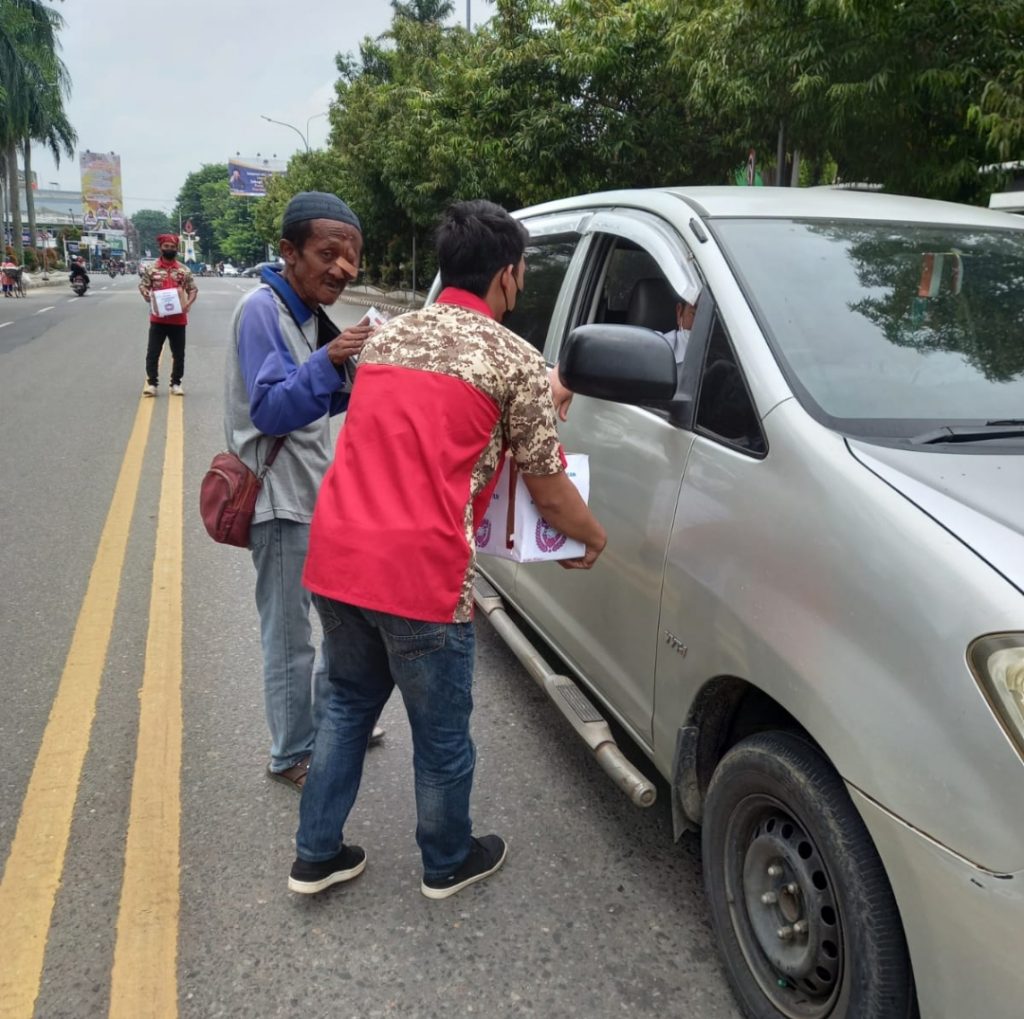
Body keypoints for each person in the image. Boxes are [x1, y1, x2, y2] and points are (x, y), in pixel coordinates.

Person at [288, 199, 607, 898]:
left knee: (344, 705)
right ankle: (446, 859)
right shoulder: (513, 359)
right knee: (441, 738)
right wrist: (591, 534)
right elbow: (548, 490)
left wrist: (540, 396)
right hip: (421, 579)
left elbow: (442, 420)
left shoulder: (387, 339)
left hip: (338, 557)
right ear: (510, 274)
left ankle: (316, 854)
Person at [224, 191, 384, 794]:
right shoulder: (263, 310)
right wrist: (331, 360)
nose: (343, 269)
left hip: (316, 495)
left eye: (353, 257)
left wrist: (364, 365)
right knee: (292, 635)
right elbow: (270, 409)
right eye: (329, 254)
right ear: (289, 252)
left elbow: (328, 398)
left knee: (346, 622)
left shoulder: (306, 311)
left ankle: (336, 721)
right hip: (280, 500)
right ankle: (292, 750)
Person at [138, 234, 197, 396]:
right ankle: (152, 384)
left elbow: (193, 289)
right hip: (158, 319)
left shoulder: (183, 270)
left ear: (176, 249)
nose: (169, 249)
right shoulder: (152, 269)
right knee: (153, 352)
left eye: (172, 247)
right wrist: (145, 294)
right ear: (161, 248)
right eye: (166, 246)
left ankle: (176, 383)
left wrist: (188, 303)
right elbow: (143, 286)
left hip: (178, 320)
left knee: (178, 354)